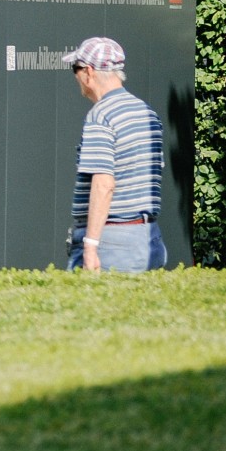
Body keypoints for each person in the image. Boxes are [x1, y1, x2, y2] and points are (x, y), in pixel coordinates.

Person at [64, 36, 165, 274]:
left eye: (75, 69)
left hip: (110, 243)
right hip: (148, 239)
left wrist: (90, 246)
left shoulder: (100, 116)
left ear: (88, 72)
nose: (76, 77)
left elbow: (103, 184)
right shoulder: (147, 112)